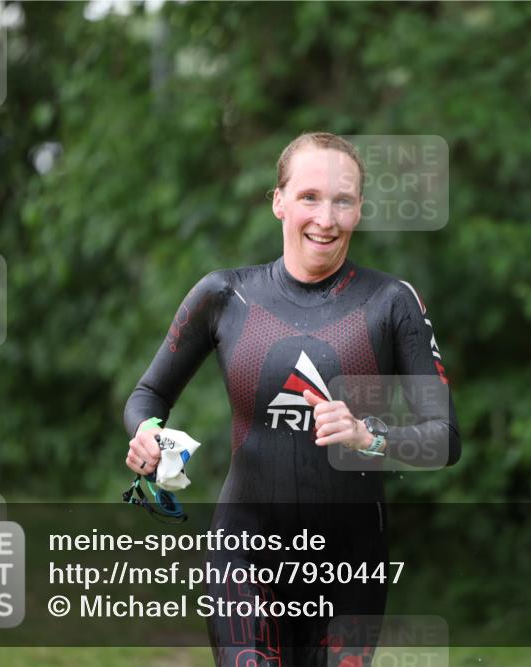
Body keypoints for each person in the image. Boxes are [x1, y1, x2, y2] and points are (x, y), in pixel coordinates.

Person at [123, 132, 460, 666]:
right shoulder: (225, 296)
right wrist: (145, 434)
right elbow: (150, 394)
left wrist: (369, 438)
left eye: (342, 200)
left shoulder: (393, 302)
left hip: (351, 566)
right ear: (278, 201)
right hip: (244, 550)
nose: (325, 218)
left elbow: (444, 440)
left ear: (359, 210)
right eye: (309, 197)